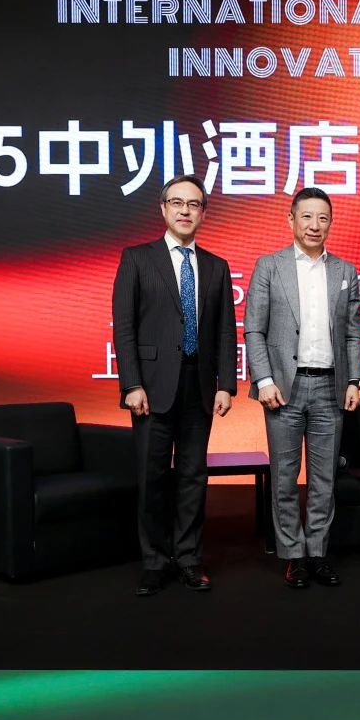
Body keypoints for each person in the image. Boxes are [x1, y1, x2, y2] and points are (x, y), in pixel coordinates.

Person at [112, 175, 237, 595]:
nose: (185, 210)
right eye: (177, 202)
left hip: (199, 385)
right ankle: (153, 561)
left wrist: (226, 384)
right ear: (163, 208)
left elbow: (225, 331)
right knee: (152, 477)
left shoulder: (216, 267)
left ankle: (189, 558)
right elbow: (124, 328)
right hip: (150, 388)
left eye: (194, 204)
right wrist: (132, 383)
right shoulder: (137, 258)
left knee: (192, 477)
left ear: (203, 212)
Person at [244, 187, 360, 589]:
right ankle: (293, 556)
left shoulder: (344, 271)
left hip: (331, 386)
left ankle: (317, 553)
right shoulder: (269, 266)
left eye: (323, 217)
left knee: (324, 479)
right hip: (283, 388)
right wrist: (263, 379)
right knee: (284, 477)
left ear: (331, 223)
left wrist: (354, 379)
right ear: (291, 219)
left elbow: (352, 333)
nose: (315, 225)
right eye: (307, 216)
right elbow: (254, 329)